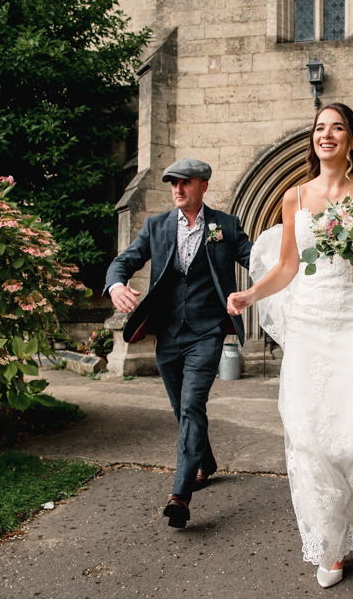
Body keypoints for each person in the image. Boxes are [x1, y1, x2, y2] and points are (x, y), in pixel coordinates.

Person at [227, 103, 353, 588]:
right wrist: (250, 293)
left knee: (351, 437)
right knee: (308, 436)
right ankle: (330, 547)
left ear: (352, 140)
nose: (326, 135)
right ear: (314, 139)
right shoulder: (294, 197)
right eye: (320, 128)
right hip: (309, 322)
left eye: (337, 128)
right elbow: (288, 265)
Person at [104, 158, 252, 529]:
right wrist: (116, 285)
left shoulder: (226, 226)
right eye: (173, 183)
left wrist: (261, 287)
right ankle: (207, 461)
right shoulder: (157, 226)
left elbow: (259, 264)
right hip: (167, 333)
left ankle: (180, 496)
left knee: (191, 405)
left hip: (207, 331)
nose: (177, 189)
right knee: (181, 408)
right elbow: (124, 261)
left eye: (185, 183)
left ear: (203, 185)